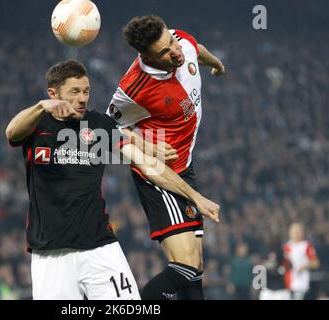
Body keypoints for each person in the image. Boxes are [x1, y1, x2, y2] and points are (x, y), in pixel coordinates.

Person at [5, 59, 219, 300]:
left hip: (99, 246)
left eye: (86, 91)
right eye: (74, 92)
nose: (82, 98)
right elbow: (12, 132)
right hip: (50, 253)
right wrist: (41, 107)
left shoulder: (99, 125)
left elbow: (147, 165)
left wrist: (195, 197)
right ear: (53, 93)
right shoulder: (37, 124)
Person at [107, 15, 225, 299]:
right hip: (158, 176)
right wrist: (148, 143)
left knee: (195, 273)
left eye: (170, 41)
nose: (174, 51)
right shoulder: (134, 87)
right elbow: (107, 131)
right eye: (163, 52)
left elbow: (197, 48)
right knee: (186, 266)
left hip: (185, 166)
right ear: (146, 55)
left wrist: (216, 64)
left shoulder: (180, 40)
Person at [282, 222, 319, 300]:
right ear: (290, 232)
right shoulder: (286, 246)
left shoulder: (306, 246)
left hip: (300, 283)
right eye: (295, 231)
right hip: (287, 282)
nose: (297, 233)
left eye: (299, 231)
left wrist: (304, 266)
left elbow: (315, 263)